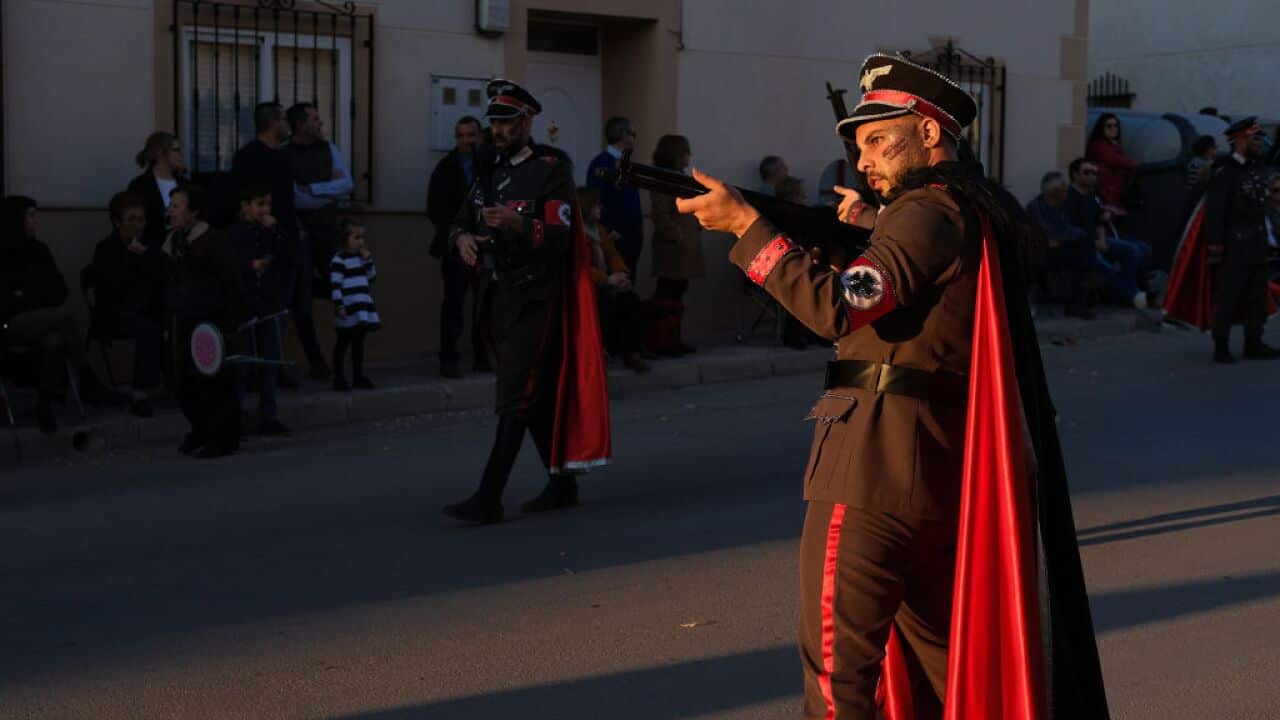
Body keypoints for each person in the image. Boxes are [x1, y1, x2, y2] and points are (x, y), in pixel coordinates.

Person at [674, 54, 1109, 719]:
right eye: (858, 145)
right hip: (934, 472)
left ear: (930, 132)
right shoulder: (961, 208)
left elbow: (838, 308)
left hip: (874, 467)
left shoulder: (925, 210)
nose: (865, 158)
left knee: (837, 672)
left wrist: (746, 230)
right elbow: (910, 305)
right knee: (942, 675)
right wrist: (869, 230)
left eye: (880, 139)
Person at [442, 79, 611, 526]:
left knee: (514, 395)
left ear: (527, 121)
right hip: (497, 295)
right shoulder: (488, 170)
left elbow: (559, 233)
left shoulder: (551, 168)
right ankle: (562, 484)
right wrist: (462, 239)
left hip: (537, 296)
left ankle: (488, 496)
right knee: (530, 398)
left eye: (508, 122)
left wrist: (517, 224)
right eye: (495, 123)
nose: (499, 131)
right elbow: (458, 221)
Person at [231, 102, 326, 383]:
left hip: (288, 240)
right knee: (263, 309)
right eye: (284, 118)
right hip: (262, 243)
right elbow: (240, 198)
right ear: (273, 122)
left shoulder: (283, 157)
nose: (288, 124)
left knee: (289, 306)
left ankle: (276, 367)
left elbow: (289, 199)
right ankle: (260, 371)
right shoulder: (249, 156)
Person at [1, 196, 111, 434]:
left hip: (43, 320)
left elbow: (59, 289)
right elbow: (8, 300)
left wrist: (26, 294)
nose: (35, 222)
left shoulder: (40, 250)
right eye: (30, 216)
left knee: (55, 341)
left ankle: (45, 405)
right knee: (66, 317)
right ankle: (85, 377)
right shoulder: (4, 254)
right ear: (16, 220)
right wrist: (33, 295)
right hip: (11, 324)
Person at [166, 185, 246, 458]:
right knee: (185, 384)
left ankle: (223, 438)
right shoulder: (174, 242)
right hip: (186, 322)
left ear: (194, 211)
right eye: (171, 205)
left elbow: (231, 284)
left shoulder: (213, 241)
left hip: (214, 324)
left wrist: (226, 323)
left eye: (176, 205)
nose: (171, 211)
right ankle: (200, 430)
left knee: (216, 383)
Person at [288, 101, 354, 381]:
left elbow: (347, 184)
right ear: (301, 125)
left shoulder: (329, 148)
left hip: (328, 235)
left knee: (345, 292)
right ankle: (316, 361)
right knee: (301, 305)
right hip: (300, 237)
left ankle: (344, 361)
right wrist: (328, 192)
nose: (321, 124)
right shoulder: (284, 154)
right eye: (315, 119)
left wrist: (315, 189)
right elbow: (294, 198)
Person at [1203, 118, 1279, 363]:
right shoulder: (1225, 171)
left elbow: (1262, 204)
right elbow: (1215, 209)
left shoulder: (1257, 168)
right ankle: (1221, 345)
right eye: (1255, 138)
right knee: (1229, 296)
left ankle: (1253, 342)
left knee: (1256, 296)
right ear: (1240, 140)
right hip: (1234, 243)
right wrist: (1215, 244)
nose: (1260, 143)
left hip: (1257, 241)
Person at [90, 191, 168, 417]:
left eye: (141, 219)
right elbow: (110, 288)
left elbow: (163, 276)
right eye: (131, 219)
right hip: (115, 314)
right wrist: (132, 258)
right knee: (149, 329)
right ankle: (140, 392)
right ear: (117, 222)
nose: (137, 225)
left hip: (147, 309)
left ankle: (175, 382)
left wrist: (146, 257)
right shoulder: (106, 249)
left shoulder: (149, 246)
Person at [227, 183, 293, 436]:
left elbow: (289, 257)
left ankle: (269, 416)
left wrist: (276, 231)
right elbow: (229, 266)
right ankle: (235, 418)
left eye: (267, 204)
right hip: (244, 304)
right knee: (243, 362)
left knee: (269, 359)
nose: (265, 210)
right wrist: (249, 266)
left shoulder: (272, 231)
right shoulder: (234, 233)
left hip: (269, 302)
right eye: (259, 204)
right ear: (245, 206)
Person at [428, 115, 489, 378]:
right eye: (461, 135)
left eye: (471, 135)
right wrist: (458, 235)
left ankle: (483, 355)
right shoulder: (446, 167)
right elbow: (436, 209)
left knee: (486, 302)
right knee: (454, 302)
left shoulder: (489, 165)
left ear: (480, 136)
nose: (466, 140)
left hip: (488, 245)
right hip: (457, 246)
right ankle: (449, 357)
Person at [1066, 157, 1154, 308]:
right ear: (1075, 175)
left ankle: (1132, 293)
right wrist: (1095, 242)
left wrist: (1101, 240)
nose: (1092, 176)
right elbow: (1070, 229)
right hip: (1080, 244)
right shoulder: (1068, 197)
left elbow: (1100, 220)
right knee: (1104, 265)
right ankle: (1132, 296)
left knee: (1133, 250)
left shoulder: (1090, 196)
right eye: (1086, 172)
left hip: (1099, 240)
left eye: (1094, 173)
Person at [580, 186, 649, 375]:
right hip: (589, 286)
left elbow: (612, 255)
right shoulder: (577, 233)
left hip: (607, 281)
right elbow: (582, 266)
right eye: (596, 205)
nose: (600, 208)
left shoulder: (599, 230)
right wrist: (607, 279)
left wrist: (620, 274)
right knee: (603, 304)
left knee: (630, 300)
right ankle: (601, 351)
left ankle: (632, 352)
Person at [648, 134, 705, 357]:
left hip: (684, 249)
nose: (688, 157)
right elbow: (660, 214)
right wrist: (678, 236)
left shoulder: (678, 177)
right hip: (672, 250)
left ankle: (674, 339)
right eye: (685, 152)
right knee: (667, 294)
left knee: (677, 294)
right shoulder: (663, 179)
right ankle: (662, 341)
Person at [1026, 171, 1097, 319]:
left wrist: (1065, 238)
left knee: (1085, 250)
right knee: (1081, 253)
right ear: (1054, 191)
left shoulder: (1064, 207)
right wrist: (1064, 237)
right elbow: (1048, 235)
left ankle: (1078, 303)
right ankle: (1077, 304)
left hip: (1061, 248)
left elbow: (1071, 231)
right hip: (1041, 253)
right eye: (1064, 188)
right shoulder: (1036, 208)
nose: (1067, 191)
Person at [329, 217, 381, 391]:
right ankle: (338, 377)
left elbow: (372, 277)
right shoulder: (339, 260)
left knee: (358, 344)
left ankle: (358, 376)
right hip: (348, 310)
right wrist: (339, 305)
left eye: (362, 238)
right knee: (343, 343)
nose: (361, 242)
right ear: (345, 238)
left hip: (361, 309)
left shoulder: (361, 258)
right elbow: (335, 285)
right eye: (356, 238)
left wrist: (368, 260)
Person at [586, 116, 643, 273]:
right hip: (614, 239)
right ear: (623, 134)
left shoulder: (626, 163)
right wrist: (609, 229)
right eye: (633, 134)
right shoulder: (602, 163)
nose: (635, 138)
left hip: (630, 237)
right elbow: (595, 199)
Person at [127, 131, 187, 249]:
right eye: (176, 150)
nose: (181, 155)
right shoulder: (140, 186)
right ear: (161, 153)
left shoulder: (185, 185)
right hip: (151, 253)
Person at [1086, 112, 1139, 210]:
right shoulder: (1099, 145)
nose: (1113, 128)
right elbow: (1120, 161)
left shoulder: (1114, 145)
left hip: (1115, 195)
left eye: (1116, 125)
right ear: (1102, 128)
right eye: (1109, 126)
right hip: (1105, 195)